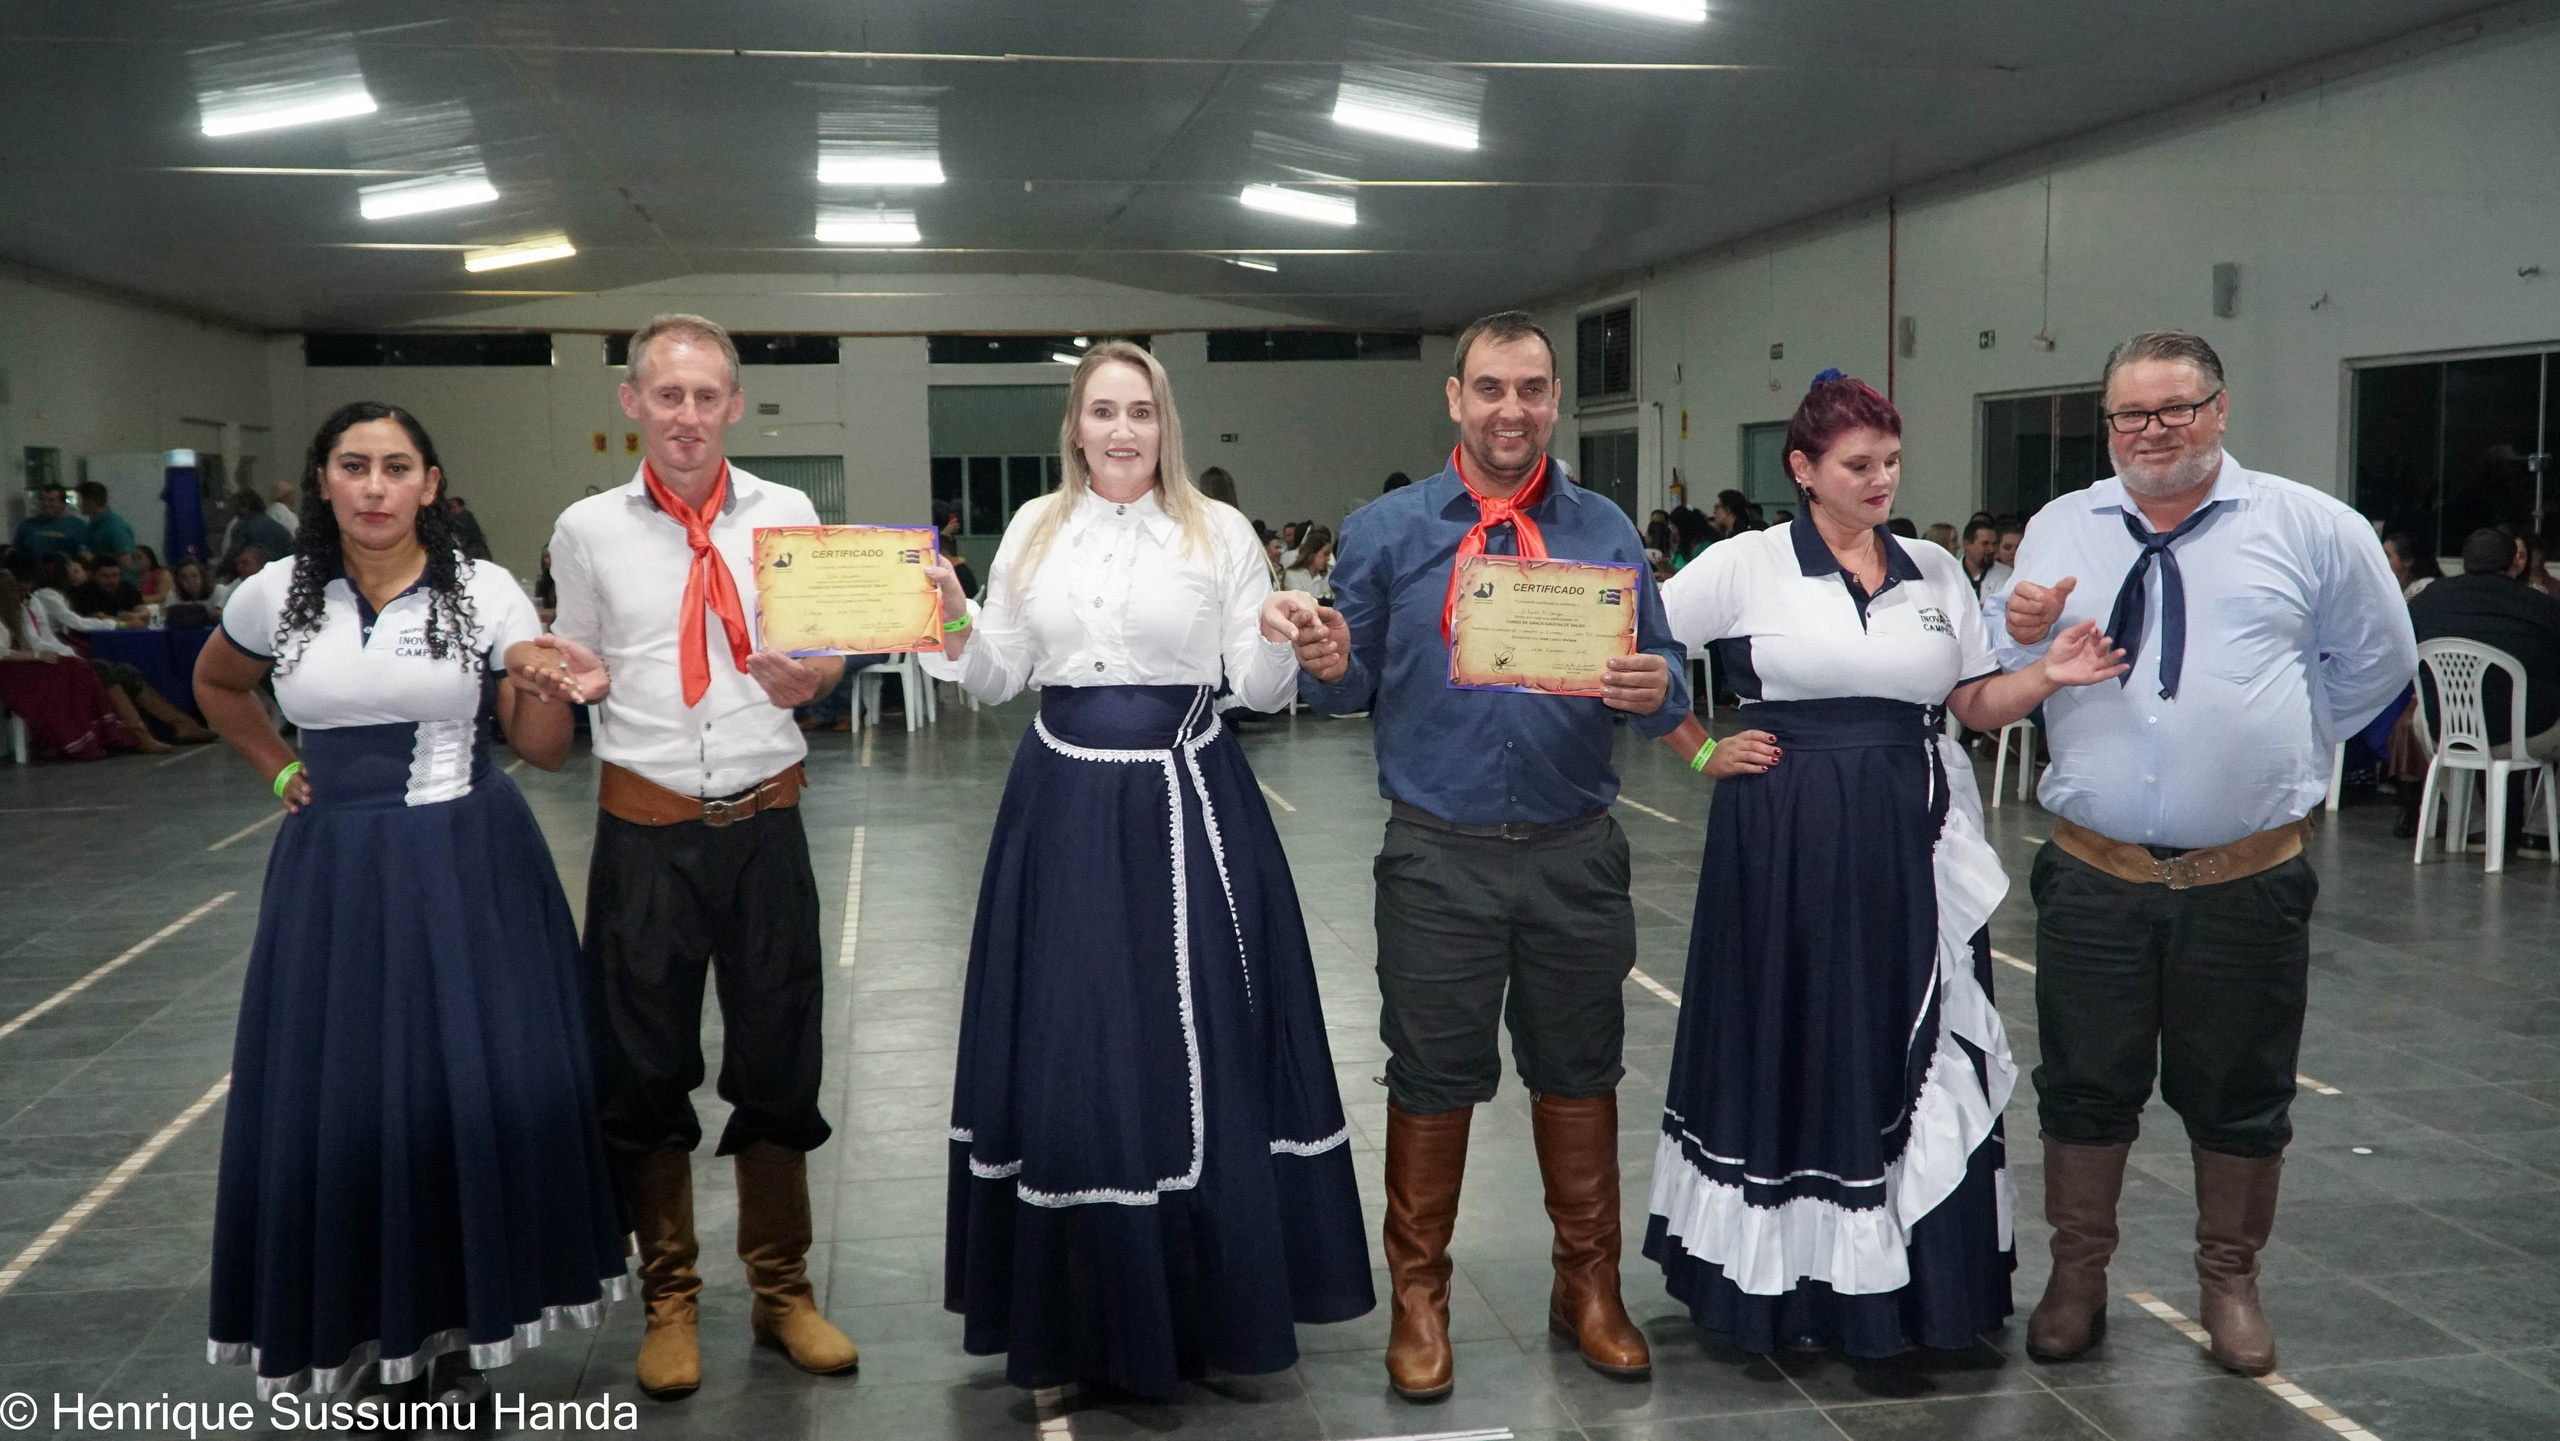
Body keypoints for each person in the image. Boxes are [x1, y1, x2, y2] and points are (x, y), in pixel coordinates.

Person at [923, 340, 1372, 1397]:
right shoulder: (1033, 528)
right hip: (1061, 807)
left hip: (1189, 808)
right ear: (1074, 425)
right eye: (1103, 411)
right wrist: (940, 605)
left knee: (1202, 1057)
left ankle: (1208, 1307)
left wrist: (1278, 630)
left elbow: (1256, 690)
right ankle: (1077, 1314)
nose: (1122, 430)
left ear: (1165, 426)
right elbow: (994, 676)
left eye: (1142, 412)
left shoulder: (1217, 533)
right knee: (1069, 1050)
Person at [1645, 375, 2127, 1358]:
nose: (1878, 480)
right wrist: (1696, 745)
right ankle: (1792, 1288)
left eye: (1890, 463)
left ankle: (1921, 1289)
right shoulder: (1745, 564)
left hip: (1917, 832)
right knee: (1803, 1032)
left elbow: (1971, 701)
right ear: (1803, 471)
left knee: (1913, 1042)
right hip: (1785, 839)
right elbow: (1633, 643)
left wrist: (2044, 676)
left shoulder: (1936, 571)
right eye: (1856, 465)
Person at [1283, 311, 1688, 1400]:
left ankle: (1586, 1285)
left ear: (1554, 401)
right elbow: (1346, 685)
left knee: (1581, 1071)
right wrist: (1326, 658)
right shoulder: (1383, 532)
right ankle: (1420, 1300)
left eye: (1534, 389)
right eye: (1492, 389)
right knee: (1430, 1078)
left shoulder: (1603, 527)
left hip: (1574, 853)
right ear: (1455, 399)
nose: (1513, 410)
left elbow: (1667, 678)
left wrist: (1662, 688)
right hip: (1437, 858)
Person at [1994, 332, 2413, 1377]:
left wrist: (2276, 733)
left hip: (2245, 878)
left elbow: (2378, 660)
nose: (2151, 432)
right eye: (2130, 415)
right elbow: (2004, 665)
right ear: (2108, 426)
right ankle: (2076, 1275)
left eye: (2174, 409)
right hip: (2095, 873)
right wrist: (2022, 633)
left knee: (2240, 1086)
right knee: (2083, 1084)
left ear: (2219, 410)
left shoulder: (2310, 525)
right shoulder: (2062, 525)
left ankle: (2229, 1277)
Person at [195, 401, 627, 1400]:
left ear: (430, 484)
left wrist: (542, 681)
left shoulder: (484, 592)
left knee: (463, 1084)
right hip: (333, 876)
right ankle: (357, 1315)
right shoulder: (272, 594)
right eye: (355, 466)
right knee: (343, 1089)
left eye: (398, 467)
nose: (377, 486)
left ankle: (462, 1310)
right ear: (323, 483)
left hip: (465, 864)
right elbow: (219, 683)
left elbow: (546, 753)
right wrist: (273, 768)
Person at [510, 313, 856, 1401]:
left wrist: (824, 677)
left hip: (766, 817)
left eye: (708, 397)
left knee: (779, 1054)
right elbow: (575, 661)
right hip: (645, 825)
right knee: (644, 1067)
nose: (689, 417)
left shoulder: (789, 514)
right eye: (669, 396)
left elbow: (823, 652)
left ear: (736, 405)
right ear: (633, 404)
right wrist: (562, 681)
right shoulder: (586, 529)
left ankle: (783, 1289)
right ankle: (668, 1296)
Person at [2409, 526, 2560, 850]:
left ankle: (2473, 826)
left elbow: (2402, 650)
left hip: (2449, 733)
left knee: (2420, 718)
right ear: (2516, 563)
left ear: (2464, 562)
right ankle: (2542, 830)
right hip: (2524, 735)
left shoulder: (2427, 600)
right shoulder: (2542, 606)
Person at [0, 563, 149, 760]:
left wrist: (60, 655)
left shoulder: (25, 606)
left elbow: (36, 640)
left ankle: (126, 733)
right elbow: (5, 651)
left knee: (96, 670)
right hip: (12, 672)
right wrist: (41, 656)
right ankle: (128, 734)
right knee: (87, 670)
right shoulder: (43, 599)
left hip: (30, 664)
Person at [222, 488, 293, 574]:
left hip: (257, 574)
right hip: (281, 572)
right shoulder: (277, 526)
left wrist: (220, 572)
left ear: (244, 507)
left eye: (235, 507)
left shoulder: (242, 527)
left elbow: (233, 554)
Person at [12, 487, 88, 559]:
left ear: (63, 504)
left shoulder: (79, 526)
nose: (46, 504)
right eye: (42, 500)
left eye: (51, 500)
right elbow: (16, 552)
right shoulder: (27, 526)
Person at [75, 481, 137, 567]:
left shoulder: (116, 527)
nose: (78, 504)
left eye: (79, 499)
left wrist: (94, 559)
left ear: (90, 501)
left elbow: (125, 563)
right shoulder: (93, 524)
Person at [69, 554, 144, 620]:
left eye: (115, 575)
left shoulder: (127, 589)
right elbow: (97, 621)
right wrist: (127, 621)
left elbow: (143, 614)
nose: (111, 581)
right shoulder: (82, 595)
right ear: (93, 576)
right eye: (105, 576)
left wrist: (117, 621)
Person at [2383, 530, 2444, 599]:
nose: (2381, 560)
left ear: (2407, 561)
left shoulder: (2425, 590)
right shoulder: (2395, 589)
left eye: (2387, 556)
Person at [1283, 522, 1335, 601]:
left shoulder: (1328, 574)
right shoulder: (1292, 575)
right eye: (1325, 554)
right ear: (1312, 553)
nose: (1328, 559)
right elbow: (1298, 603)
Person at [1959, 518, 2001, 597]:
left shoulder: (2006, 574)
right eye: (1985, 543)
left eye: (1994, 544)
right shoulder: (1951, 573)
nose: (1991, 549)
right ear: (1967, 544)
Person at [445, 495, 493, 560]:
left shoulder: (465, 517)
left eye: (453, 507)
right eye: (449, 508)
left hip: (476, 553)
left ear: (462, 507)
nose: (451, 510)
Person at [1985, 519, 2026, 596]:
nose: (2013, 552)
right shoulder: (1985, 575)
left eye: (2018, 547)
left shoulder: (2031, 574)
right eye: (2007, 548)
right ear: (1996, 550)